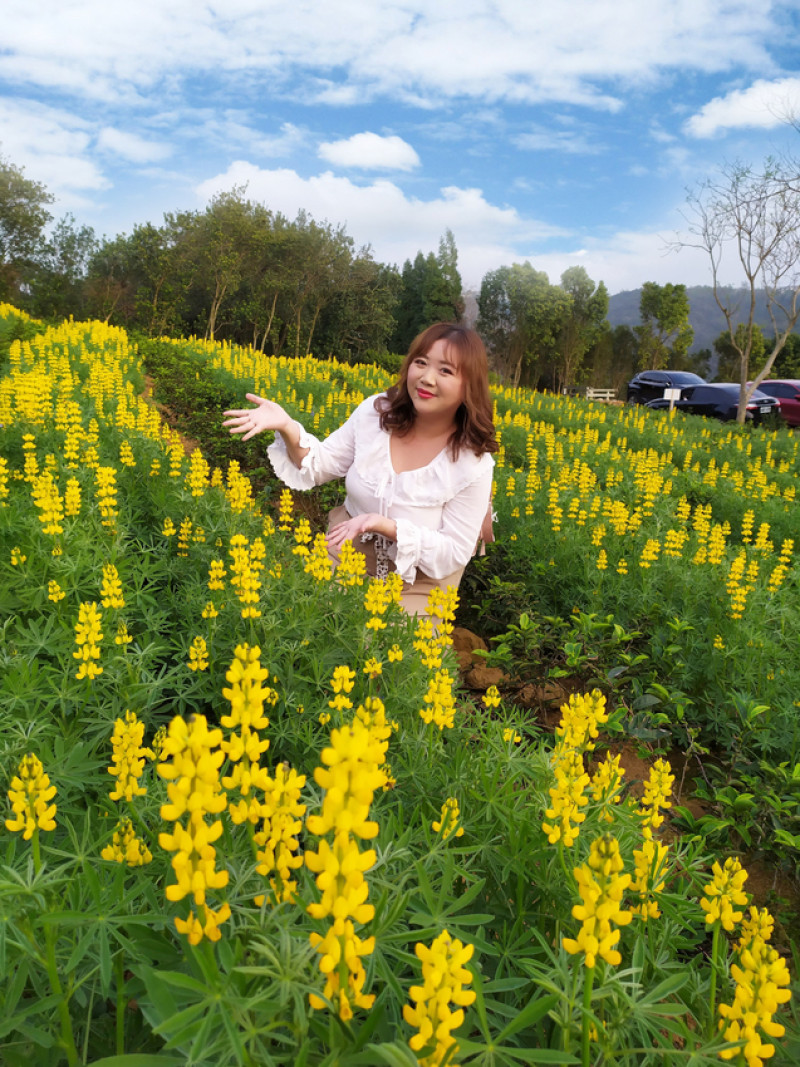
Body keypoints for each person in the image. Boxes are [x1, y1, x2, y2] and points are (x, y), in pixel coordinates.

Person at [222, 322, 497, 615]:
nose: (427, 378)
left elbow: (453, 552)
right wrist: (287, 426)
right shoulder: (376, 413)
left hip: (419, 580)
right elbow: (321, 466)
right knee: (301, 615)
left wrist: (384, 525)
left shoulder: (473, 462)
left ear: (469, 384)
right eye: (421, 362)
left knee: (384, 651)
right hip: (348, 553)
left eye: (445, 370)